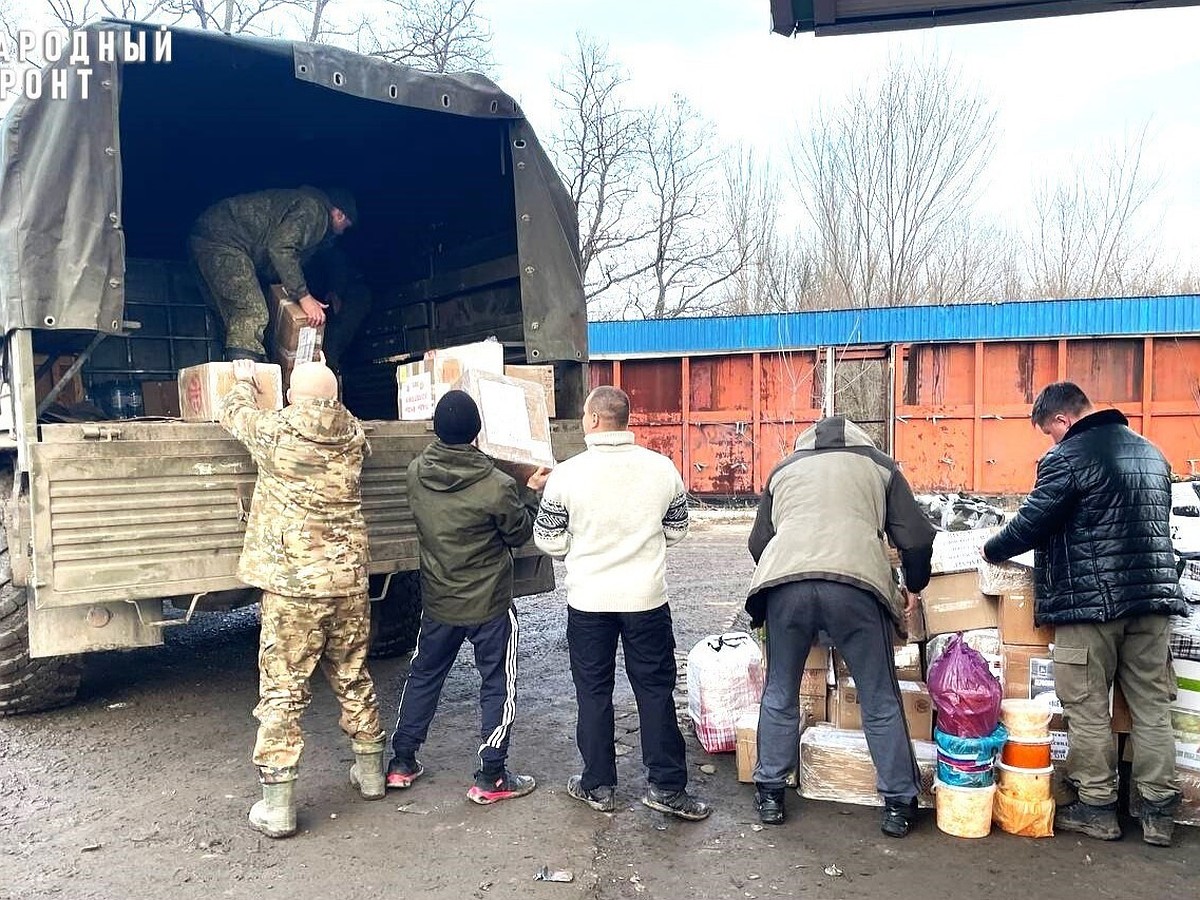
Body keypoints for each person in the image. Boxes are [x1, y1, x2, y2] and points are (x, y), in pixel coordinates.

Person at [982, 381, 1184, 846]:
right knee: (1152, 706)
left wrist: (992, 549)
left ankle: (1097, 807)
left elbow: (1034, 521)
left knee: (1087, 707)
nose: (1051, 442)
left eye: (1049, 433)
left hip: (1091, 605)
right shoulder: (1152, 453)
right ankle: (1157, 814)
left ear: (1062, 420)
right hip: (1152, 602)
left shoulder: (1068, 456)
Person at [745, 415, 935, 836]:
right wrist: (914, 587)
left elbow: (759, 543)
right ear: (862, 441)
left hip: (786, 588)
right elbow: (917, 537)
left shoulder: (784, 469)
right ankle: (899, 804)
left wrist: (795, 574)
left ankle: (771, 794)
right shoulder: (881, 466)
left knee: (780, 689)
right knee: (878, 695)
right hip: (856, 587)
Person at [219, 357, 385, 839]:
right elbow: (341, 418)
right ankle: (371, 775)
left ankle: (278, 806)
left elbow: (235, 413)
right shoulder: (354, 437)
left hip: (295, 589)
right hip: (349, 583)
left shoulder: (276, 435)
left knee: (284, 689)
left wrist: (246, 380)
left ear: (292, 396)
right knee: (354, 675)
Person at [534, 385, 710, 821]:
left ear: (593, 420)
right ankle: (667, 787)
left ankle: (598, 785)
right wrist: (642, 541)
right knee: (655, 690)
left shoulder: (567, 475)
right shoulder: (660, 468)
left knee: (593, 692)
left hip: (589, 601)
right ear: (625, 420)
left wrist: (581, 546)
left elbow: (548, 539)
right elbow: (678, 529)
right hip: (646, 599)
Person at [386, 390, 549, 805]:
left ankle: (402, 762)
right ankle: (491, 775)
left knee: (424, 676)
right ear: (478, 431)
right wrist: (529, 491)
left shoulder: (415, 473)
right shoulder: (496, 485)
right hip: (490, 604)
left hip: (439, 601)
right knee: (498, 683)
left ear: (436, 429)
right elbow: (519, 534)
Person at [188, 186, 357, 362]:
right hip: (225, 242)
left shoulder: (304, 207)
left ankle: (244, 376)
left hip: (207, 238)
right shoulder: (314, 212)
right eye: (346, 226)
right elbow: (281, 249)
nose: (343, 232)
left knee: (234, 320)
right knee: (252, 312)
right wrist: (304, 297)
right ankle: (246, 385)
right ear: (339, 215)